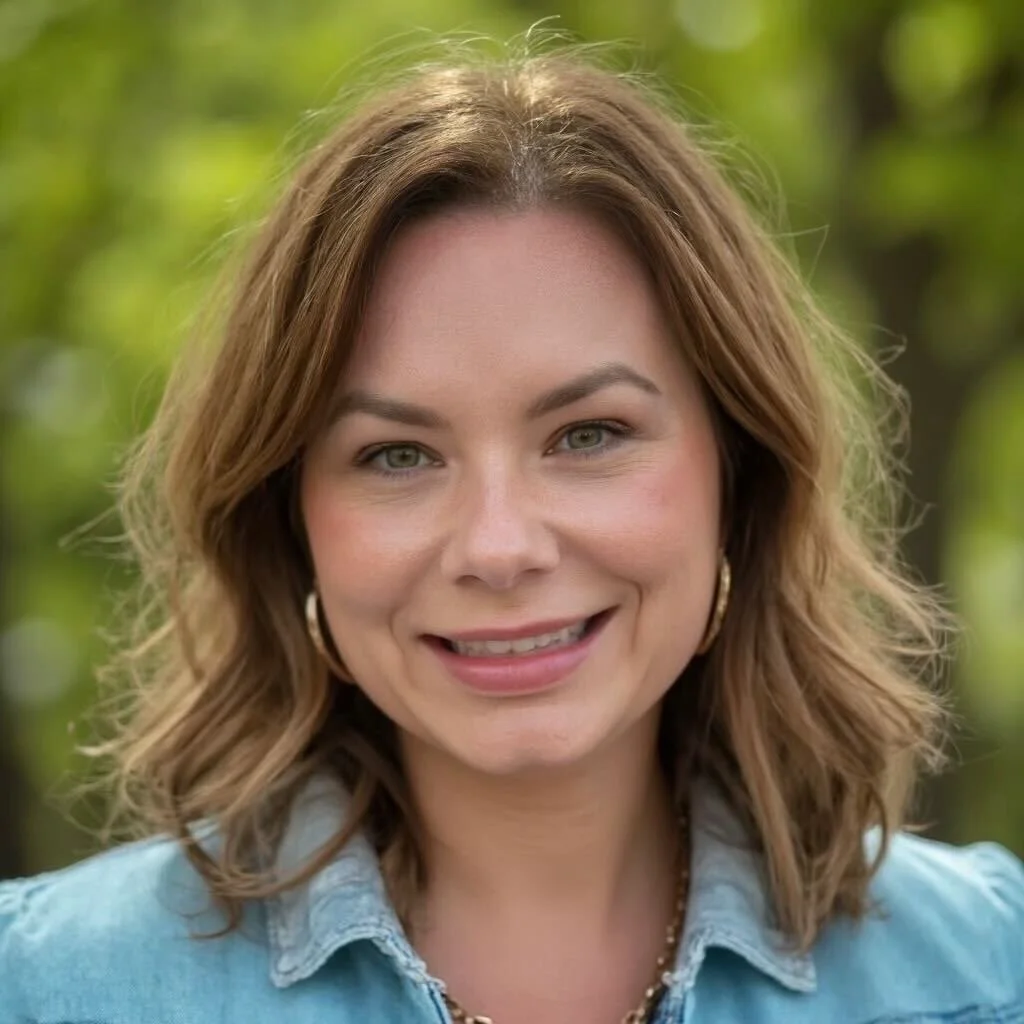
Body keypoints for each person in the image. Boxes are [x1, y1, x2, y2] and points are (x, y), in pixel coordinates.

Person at [1, 43, 1022, 1024]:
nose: (498, 546)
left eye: (587, 434)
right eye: (397, 454)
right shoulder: (45, 990)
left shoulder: (988, 969)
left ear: (738, 472)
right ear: (291, 519)